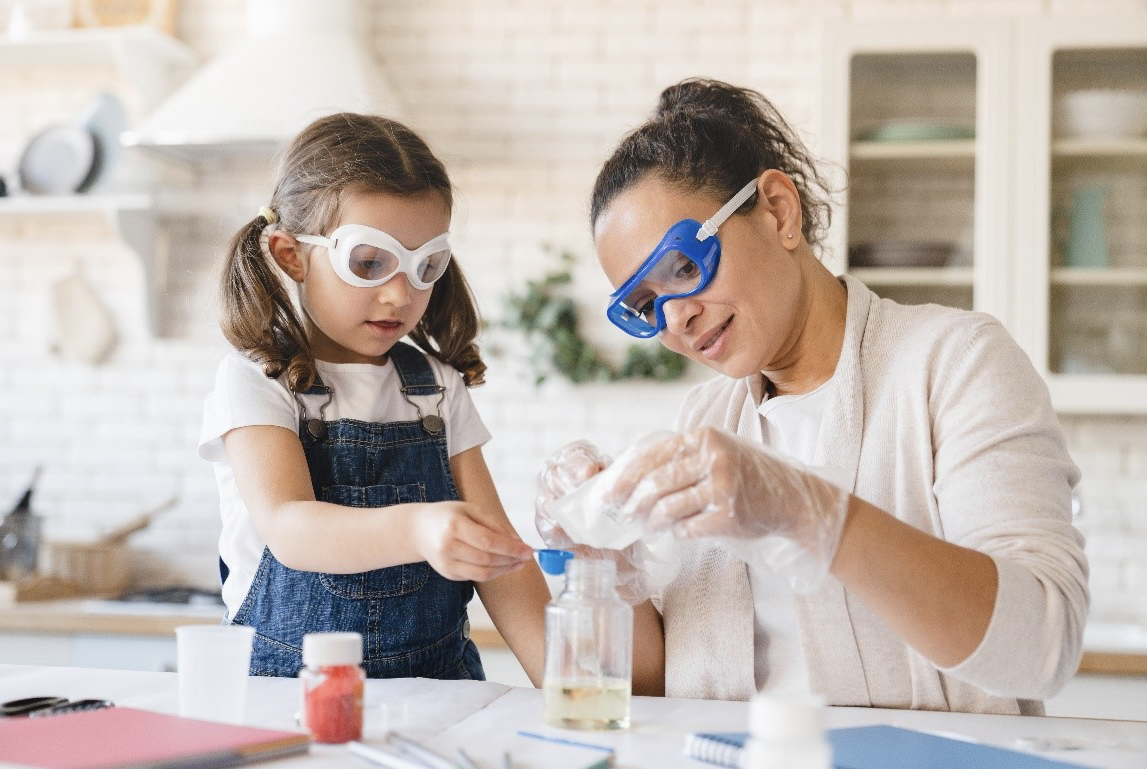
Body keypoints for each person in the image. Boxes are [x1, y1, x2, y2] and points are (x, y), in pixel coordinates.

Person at [536, 79, 1088, 715]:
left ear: (778, 210)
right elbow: (664, 692)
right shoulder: (706, 419)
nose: (676, 318)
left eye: (684, 266)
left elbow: (1041, 646)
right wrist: (606, 572)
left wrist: (810, 511)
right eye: (643, 306)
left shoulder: (956, 363)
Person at [199, 112, 548, 682]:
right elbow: (289, 528)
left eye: (426, 265)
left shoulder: (438, 390)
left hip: (438, 692)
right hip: (286, 697)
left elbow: (500, 560)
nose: (399, 295)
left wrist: (567, 690)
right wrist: (420, 529)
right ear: (291, 254)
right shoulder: (258, 382)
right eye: (368, 263)